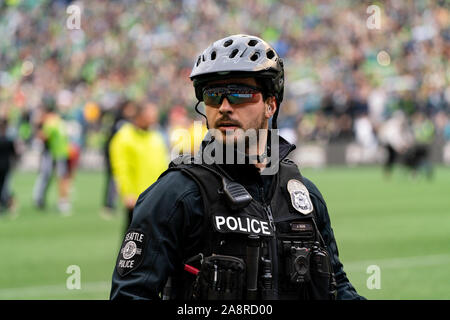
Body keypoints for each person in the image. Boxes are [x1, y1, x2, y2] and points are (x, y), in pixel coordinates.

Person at [110, 34, 364, 300]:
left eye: (240, 94)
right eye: (213, 95)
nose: (224, 107)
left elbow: (338, 288)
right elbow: (131, 295)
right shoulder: (176, 194)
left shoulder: (303, 196)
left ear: (270, 104)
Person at [109, 100, 169, 233]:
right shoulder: (124, 137)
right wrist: (127, 193)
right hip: (137, 198)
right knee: (134, 237)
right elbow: (121, 168)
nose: (155, 118)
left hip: (157, 195)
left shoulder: (156, 136)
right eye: (151, 114)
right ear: (140, 116)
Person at [32, 95, 72, 213]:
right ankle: (63, 202)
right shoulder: (59, 120)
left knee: (52, 176)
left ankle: (57, 202)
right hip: (62, 151)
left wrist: (37, 127)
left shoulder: (50, 122)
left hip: (54, 153)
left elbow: (43, 137)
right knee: (62, 177)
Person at [0, 118, 19, 214]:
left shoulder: (7, 140)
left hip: (4, 167)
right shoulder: (8, 140)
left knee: (4, 187)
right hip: (6, 166)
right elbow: (15, 154)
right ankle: (9, 205)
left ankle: (8, 204)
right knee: (5, 187)